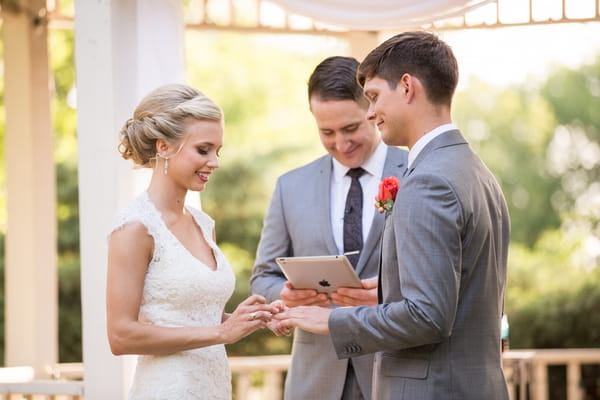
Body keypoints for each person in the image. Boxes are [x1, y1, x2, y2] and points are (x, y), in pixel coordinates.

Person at [275, 31, 511, 400]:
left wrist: (333, 321)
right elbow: (458, 294)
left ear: (406, 87)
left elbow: (427, 316)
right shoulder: (475, 170)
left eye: (373, 97)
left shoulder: (428, 181)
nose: (370, 113)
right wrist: (386, 294)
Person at [106, 83, 281, 399]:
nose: (214, 162)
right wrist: (221, 332)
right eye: (203, 150)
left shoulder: (203, 224)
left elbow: (196, 318)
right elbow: (121, 336)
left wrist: (247, 319)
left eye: (217, 151)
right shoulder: (135, 228)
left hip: (212, 387)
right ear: (163, 147)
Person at [251, 56, 408, 399]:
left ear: (372, 108)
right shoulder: (289, 187)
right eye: (327, 132)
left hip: (395, 371)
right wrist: (284, 295)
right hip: (315, 380)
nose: (341, 143)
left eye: (350, 128)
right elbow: (262, 277)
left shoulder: (415, 172)